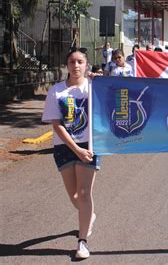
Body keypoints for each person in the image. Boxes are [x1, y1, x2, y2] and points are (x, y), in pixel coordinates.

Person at [42, 48, 100, 259]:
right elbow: (56, 125)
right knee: (74, 196)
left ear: (86, 65)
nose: (76, 66)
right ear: (66, 65)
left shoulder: (94, 87)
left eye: (80, 62)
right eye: (72, 62)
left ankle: (82, 241)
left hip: (90, 145)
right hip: (65, 147)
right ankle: (89, 215)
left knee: (84, 194)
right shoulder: (56, 91)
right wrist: (76, 149)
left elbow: (120, 93)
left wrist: (102, 80)